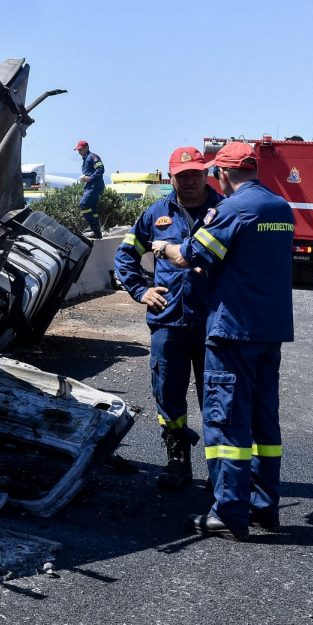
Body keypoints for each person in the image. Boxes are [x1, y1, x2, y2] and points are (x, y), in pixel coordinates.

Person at [151, 142, 295, 541]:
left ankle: (228, 511)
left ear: (225, 175)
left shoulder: (232, 210)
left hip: (233, 332)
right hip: (270, 331)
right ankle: (265, 508)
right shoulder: (280, 209)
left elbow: (191, 255)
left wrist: (164, 247)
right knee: (264, 423)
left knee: (226, 421)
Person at [114, 147, 222, 489]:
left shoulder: (224, 211)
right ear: (170, 177)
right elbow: (126, 254)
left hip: (215, 323)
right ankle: (177, 462)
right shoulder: (155, 215)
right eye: (182, 175)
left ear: (206, 175)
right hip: (168, 320)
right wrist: (140, 290)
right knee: (168, 392)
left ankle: (220, 471)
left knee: (217, 399)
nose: (189, 181)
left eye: (195, 174)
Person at [75, 140, 105, 239]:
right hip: (90, 187)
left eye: (81, 149)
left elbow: (100, 169)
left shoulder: (93, 157)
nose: (79, 152)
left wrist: (89, 178)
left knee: (83, 204)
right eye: (78, 150)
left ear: (86, 148)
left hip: (95, 186)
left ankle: (94, 229)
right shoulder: (85, 159)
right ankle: (96, 231)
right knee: (92, 209)